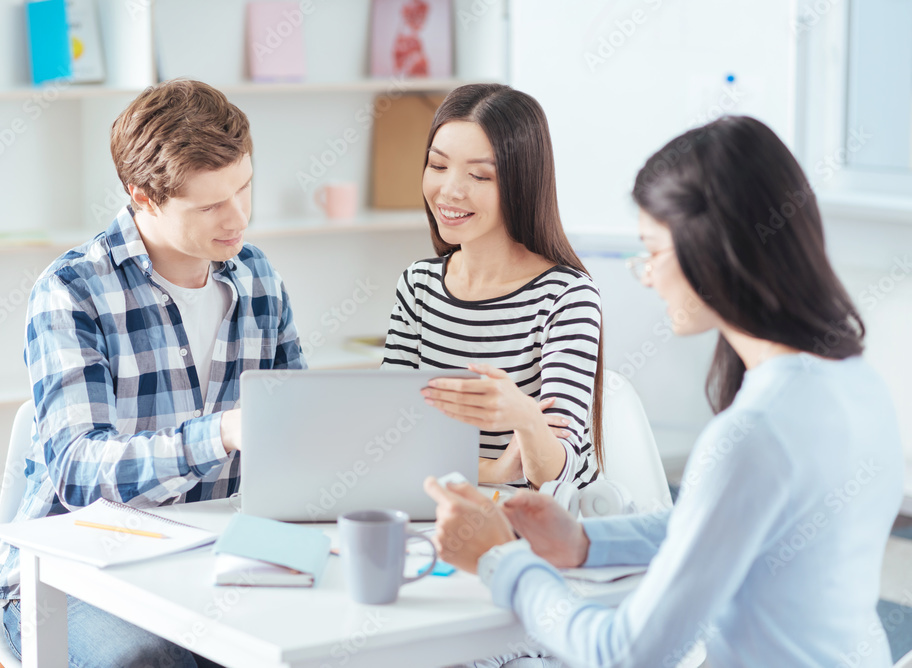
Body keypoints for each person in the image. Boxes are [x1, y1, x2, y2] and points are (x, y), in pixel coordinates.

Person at [424, 116, 904, 667]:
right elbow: (714, 521)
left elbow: (626, 653)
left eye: (653, 251)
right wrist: (583, 543)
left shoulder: (754, 434)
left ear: (713, 250)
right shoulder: (856, 380)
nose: (646, 275)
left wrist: (501, 559)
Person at [0, 79, 305, 667]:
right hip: (72, 571)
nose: (238, 217)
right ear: (144, 196)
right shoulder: (71, 291)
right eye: (210, 205)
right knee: (149, 660)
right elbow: (78, 470)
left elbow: (297, 423)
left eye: (244, 187)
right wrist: (221, 434)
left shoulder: (257, 276)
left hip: (211, 550)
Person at [382, 83, 605, 492]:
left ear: (522, 183)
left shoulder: (567, 298)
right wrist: (494, 471)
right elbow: (392, 440)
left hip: (546, 527)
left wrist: (523, 417)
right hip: (444, 512)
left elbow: (556, 473)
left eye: (479, 175)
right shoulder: (419, 285)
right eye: (437, 165)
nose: (449, 190)